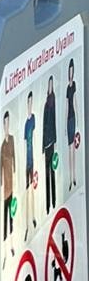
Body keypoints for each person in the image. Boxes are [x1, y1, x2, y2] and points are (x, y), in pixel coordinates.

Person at [1, 110, 16, 261]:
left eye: (8, 122)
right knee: (5, 219)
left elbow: (14, 159)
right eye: (5, 123)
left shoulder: (11, 140)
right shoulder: (2, 147)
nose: (7, 125)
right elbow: (0, 168)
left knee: (11, 216)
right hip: (5, 187)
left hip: (11, 184)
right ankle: (5, 251)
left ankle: (11, 245)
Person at [44, 77, 58, 215]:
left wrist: (55, 139)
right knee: (46, 174)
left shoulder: (53, 103)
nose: (50, 87)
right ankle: (48, 205)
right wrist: (43, 145)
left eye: (51, 85)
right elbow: (44, 125)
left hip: (52, 141)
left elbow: (54, 121)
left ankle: (54, 200)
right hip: (46, 144)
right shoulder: (46, 105)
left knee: (52, 171)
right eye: (49, 85)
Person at [24, 91, 37, 237]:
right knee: (27, 190)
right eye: (29, 102)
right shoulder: (26, 123)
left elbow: (34, 137)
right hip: (26, 161)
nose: (30, 104)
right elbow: (24, 143)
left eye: (31, 102)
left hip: (32, 158)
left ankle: (33, 217)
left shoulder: (33, 119)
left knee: (32, 188)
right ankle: (27, 225)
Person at [68, 59, 78, 192]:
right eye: (69, 72)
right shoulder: (67, 88)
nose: (70, 74)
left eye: (72, 71)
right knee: (69, 150)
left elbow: (75, 101)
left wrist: (79, 118)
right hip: (68, 119)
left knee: (73, 150)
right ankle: (70, 179)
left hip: (73, 118)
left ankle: (74, 176)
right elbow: (67, 106)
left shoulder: (74, 85)